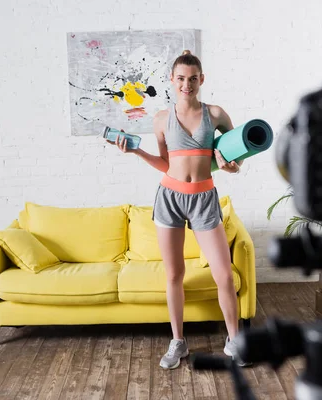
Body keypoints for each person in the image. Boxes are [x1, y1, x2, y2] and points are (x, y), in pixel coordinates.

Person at [107, 50, 249, 369]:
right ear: (172, 80)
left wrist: (229, 166)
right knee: (174, 274)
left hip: (204, 197)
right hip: (169, 197)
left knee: (224, 274)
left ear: (202, 80)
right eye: (181, 79)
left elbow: (237, 159)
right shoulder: (161, 119)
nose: (187, 84)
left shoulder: (216, 113)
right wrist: (138, 152)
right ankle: (178, 342)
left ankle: (234, 340)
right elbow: (166, 163)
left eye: (193, 78)